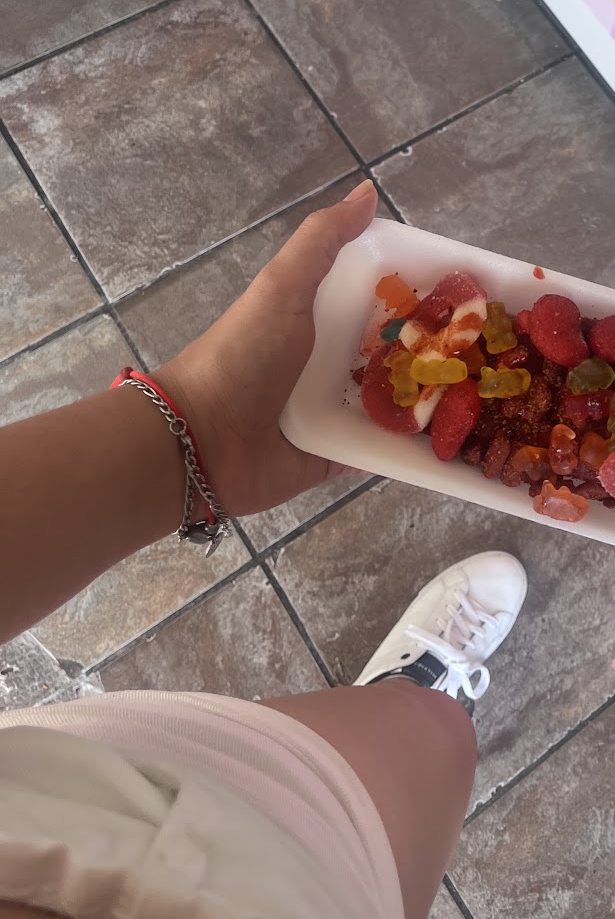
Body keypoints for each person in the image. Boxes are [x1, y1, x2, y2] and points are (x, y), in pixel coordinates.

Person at [0, 181, 526, 919]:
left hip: (83, 789)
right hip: (322, 895)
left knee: (428, 731)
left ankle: (409, 685)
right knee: (446, 745)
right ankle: (417, 690)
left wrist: (205, 425)